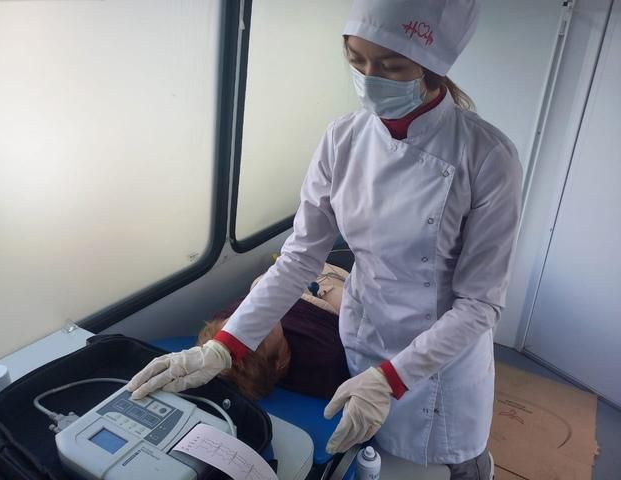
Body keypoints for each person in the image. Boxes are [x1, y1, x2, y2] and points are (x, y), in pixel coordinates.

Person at [128, 1, 522, 478]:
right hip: (364, 334)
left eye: (391, 66)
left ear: (432, 68)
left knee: (453, 464)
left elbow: (479, 304)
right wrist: (225, 346)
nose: (370, 78)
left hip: (442, 362)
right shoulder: (343, 139)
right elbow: (299, 258)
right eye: (357, 60)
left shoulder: (487, 157)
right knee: (372, 459)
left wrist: (392, 377)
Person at [196, 263, 351, 400]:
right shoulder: (327, 355)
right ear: (279, 364)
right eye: (259, 334)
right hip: (326, 296)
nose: (253, 318)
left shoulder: (224, 320)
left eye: (235, 323)